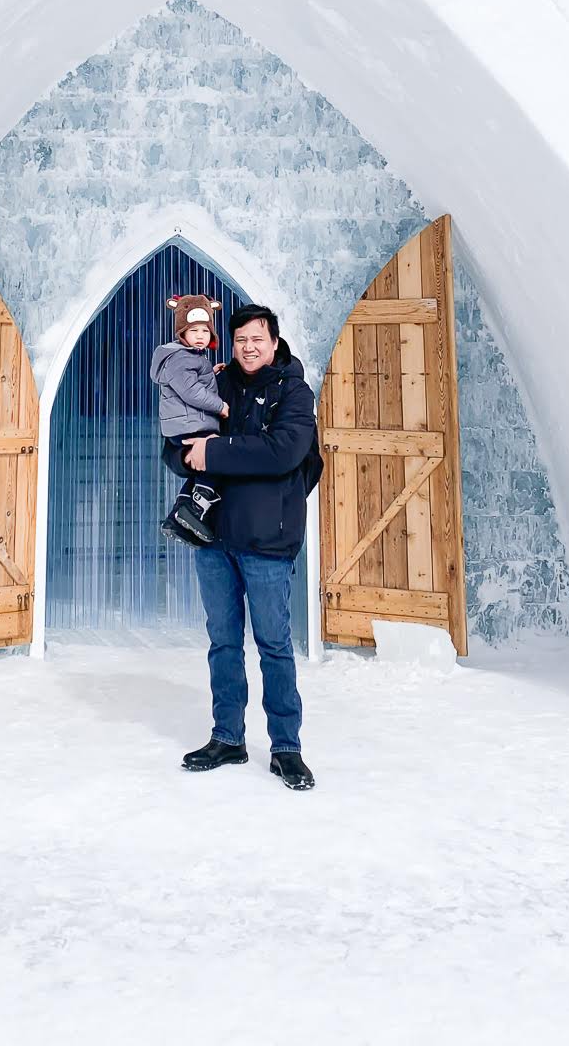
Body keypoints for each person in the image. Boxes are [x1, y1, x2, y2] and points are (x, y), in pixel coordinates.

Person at [163, 303, 324, 792]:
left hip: (269, 540)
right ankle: (227, 737)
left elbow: (285, 452)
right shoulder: (215, 383)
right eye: (239, 340)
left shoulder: (293, 392)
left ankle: (286, 748)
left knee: (275, 645)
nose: (248, 347)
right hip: (213, 538)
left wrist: (215, 451)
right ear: (229, 344)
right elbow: (175, 444)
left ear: (273, 343)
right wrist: (188, 452)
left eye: (257, 338)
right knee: (224, 643)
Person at [149, 294, 229, 545]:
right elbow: (191, 391)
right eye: (193, 330)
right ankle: (196, 508)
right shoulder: (181, 357)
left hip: (185, 423)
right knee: (215, 456)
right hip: (190, 424)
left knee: (203, 465)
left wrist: (211, 375)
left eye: (205, 331)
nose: (200, 336)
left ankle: (178, 516)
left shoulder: (189, 358)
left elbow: (192, 383)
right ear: (181, 332)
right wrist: (220, 405)